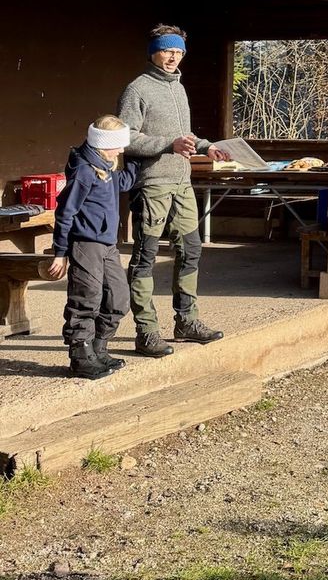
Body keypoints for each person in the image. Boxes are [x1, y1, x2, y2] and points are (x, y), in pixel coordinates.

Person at [117, 25, 230, 356]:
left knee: (191, 250)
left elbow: (184, 135)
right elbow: (126, 139)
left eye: (179, 52)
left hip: (182, 184)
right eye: (167, 50)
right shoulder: (137, 89)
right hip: (152, 185)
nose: (173, 57)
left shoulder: (178, 88)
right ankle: (146, 331)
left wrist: (206, 147)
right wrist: (169, 144)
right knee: (145, 256)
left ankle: (187, 321)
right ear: (153, 51)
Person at [45, 115, 138, 380]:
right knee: (86, 299)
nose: (121, 150)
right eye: (118, 145)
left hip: (107, 244)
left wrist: (139, 161)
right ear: (102, 143)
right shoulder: (85, 171)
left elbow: (123, 184)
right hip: (86, 244)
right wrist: (60, 252)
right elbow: (65, 213)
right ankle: (81, 356)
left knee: (118, 298)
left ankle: (99, 348)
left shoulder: (106, 167)